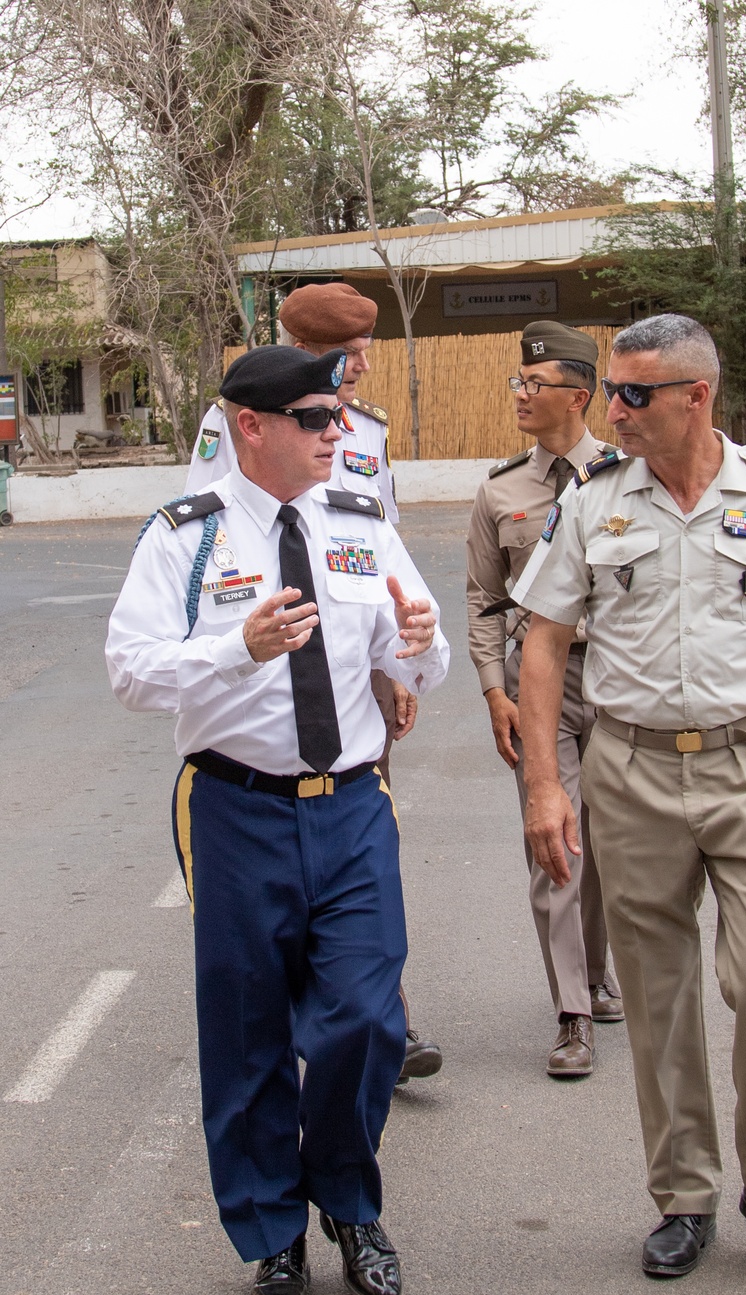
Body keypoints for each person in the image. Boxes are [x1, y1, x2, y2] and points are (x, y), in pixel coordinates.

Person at [513, 314, 746, 1290]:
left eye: (634, 394)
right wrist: (543, 786)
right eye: (611, 393)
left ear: (695, 398)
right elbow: (544, 641)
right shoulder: (593, 503)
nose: (615, 411)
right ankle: (683, 1196)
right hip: (629, 773)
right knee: (658, 996)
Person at [107, 345, 450, 1295]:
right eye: (315, 418)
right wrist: (232, 648)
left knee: (368, 1014)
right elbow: (129, 671)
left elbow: (410, 651)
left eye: (337, 416)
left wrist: (418, 652)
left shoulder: (359, 521)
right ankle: (273, 1238)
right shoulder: (188, 537)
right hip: (235, 808)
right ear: (250, 427)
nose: (337, 433)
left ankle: (345, 1199)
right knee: (249, 1029)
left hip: (349, 805)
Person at [188, 282, 443, 1084]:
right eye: (340, 356)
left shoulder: (365, 427)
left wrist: (393, 659)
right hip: (263, 654)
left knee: (361, 840)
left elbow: (374, 541)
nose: (356, 371)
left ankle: (375, 1007)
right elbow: (217, 525)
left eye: (363, 355)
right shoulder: (238, 421)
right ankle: (304, 1005)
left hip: (353, 657)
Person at [466, 320, 623, 1078]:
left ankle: (594, 969)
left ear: (580, 396)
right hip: (541, 684)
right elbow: (483, 600)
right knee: (554, 839)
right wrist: (494, 690)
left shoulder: (630, 478)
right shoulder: (502, 490)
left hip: (624, 683)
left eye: (536, 385)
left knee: (609, 844)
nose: (521, 395)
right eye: (517, 383)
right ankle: (573, 1013)